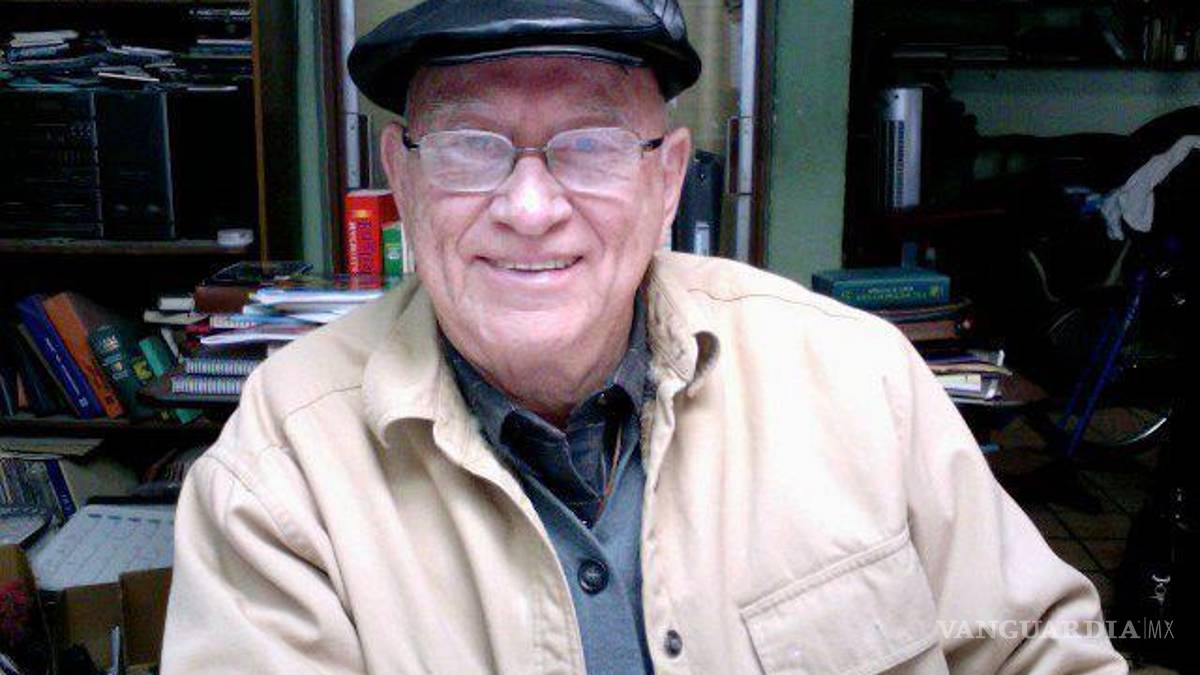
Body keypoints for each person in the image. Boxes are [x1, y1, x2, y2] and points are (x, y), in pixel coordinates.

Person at [162, 1, 1127, 673]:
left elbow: (1042, 653)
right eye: (468, 147)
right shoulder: (280, 474)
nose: (530, 208)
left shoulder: (857, 376)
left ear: (667, 182)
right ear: (404, 183)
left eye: (588, 144)